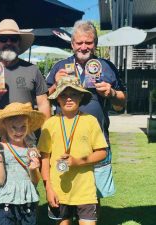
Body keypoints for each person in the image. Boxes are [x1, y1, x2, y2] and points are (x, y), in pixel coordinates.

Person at [0, 19, 51, 224]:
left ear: (19, 43)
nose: (8, 42)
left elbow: (44, 104)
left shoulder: (32, 70)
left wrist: (44, 134)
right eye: (3, 39)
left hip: (26, 139)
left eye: (13, 39)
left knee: (27, 186)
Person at [46, 20, 126, 201]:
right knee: (64, 189)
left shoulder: (107, 66)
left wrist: (112, 92)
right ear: (72, 44)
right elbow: (44, 98)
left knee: (95, 195)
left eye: (88, 42)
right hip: (64, 140)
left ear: (95, 44)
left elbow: (121, 104)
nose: (83, 47)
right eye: (79, 43)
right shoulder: (59, 67)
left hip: (96, 141)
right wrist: (54, 86)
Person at [38, 76, 108, 225]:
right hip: (58, 190)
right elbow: (44, 159)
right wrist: (48, 188)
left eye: (74, 94)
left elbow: (102, 153)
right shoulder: (49, 124)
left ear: (81, 96)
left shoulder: (90, 121)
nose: (68, 99)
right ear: (57, 98)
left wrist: (77, 161)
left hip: (85, 190)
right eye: (63, 95)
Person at [0, 102, 45, 225]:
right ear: (5, 125)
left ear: (28, 125)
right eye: (14, 127)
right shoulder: (0, 148)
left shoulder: (31, 150)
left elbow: (35, 181)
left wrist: (33, 170)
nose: (19, 131)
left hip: (27, 204)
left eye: (23, 126)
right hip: (5, 205)